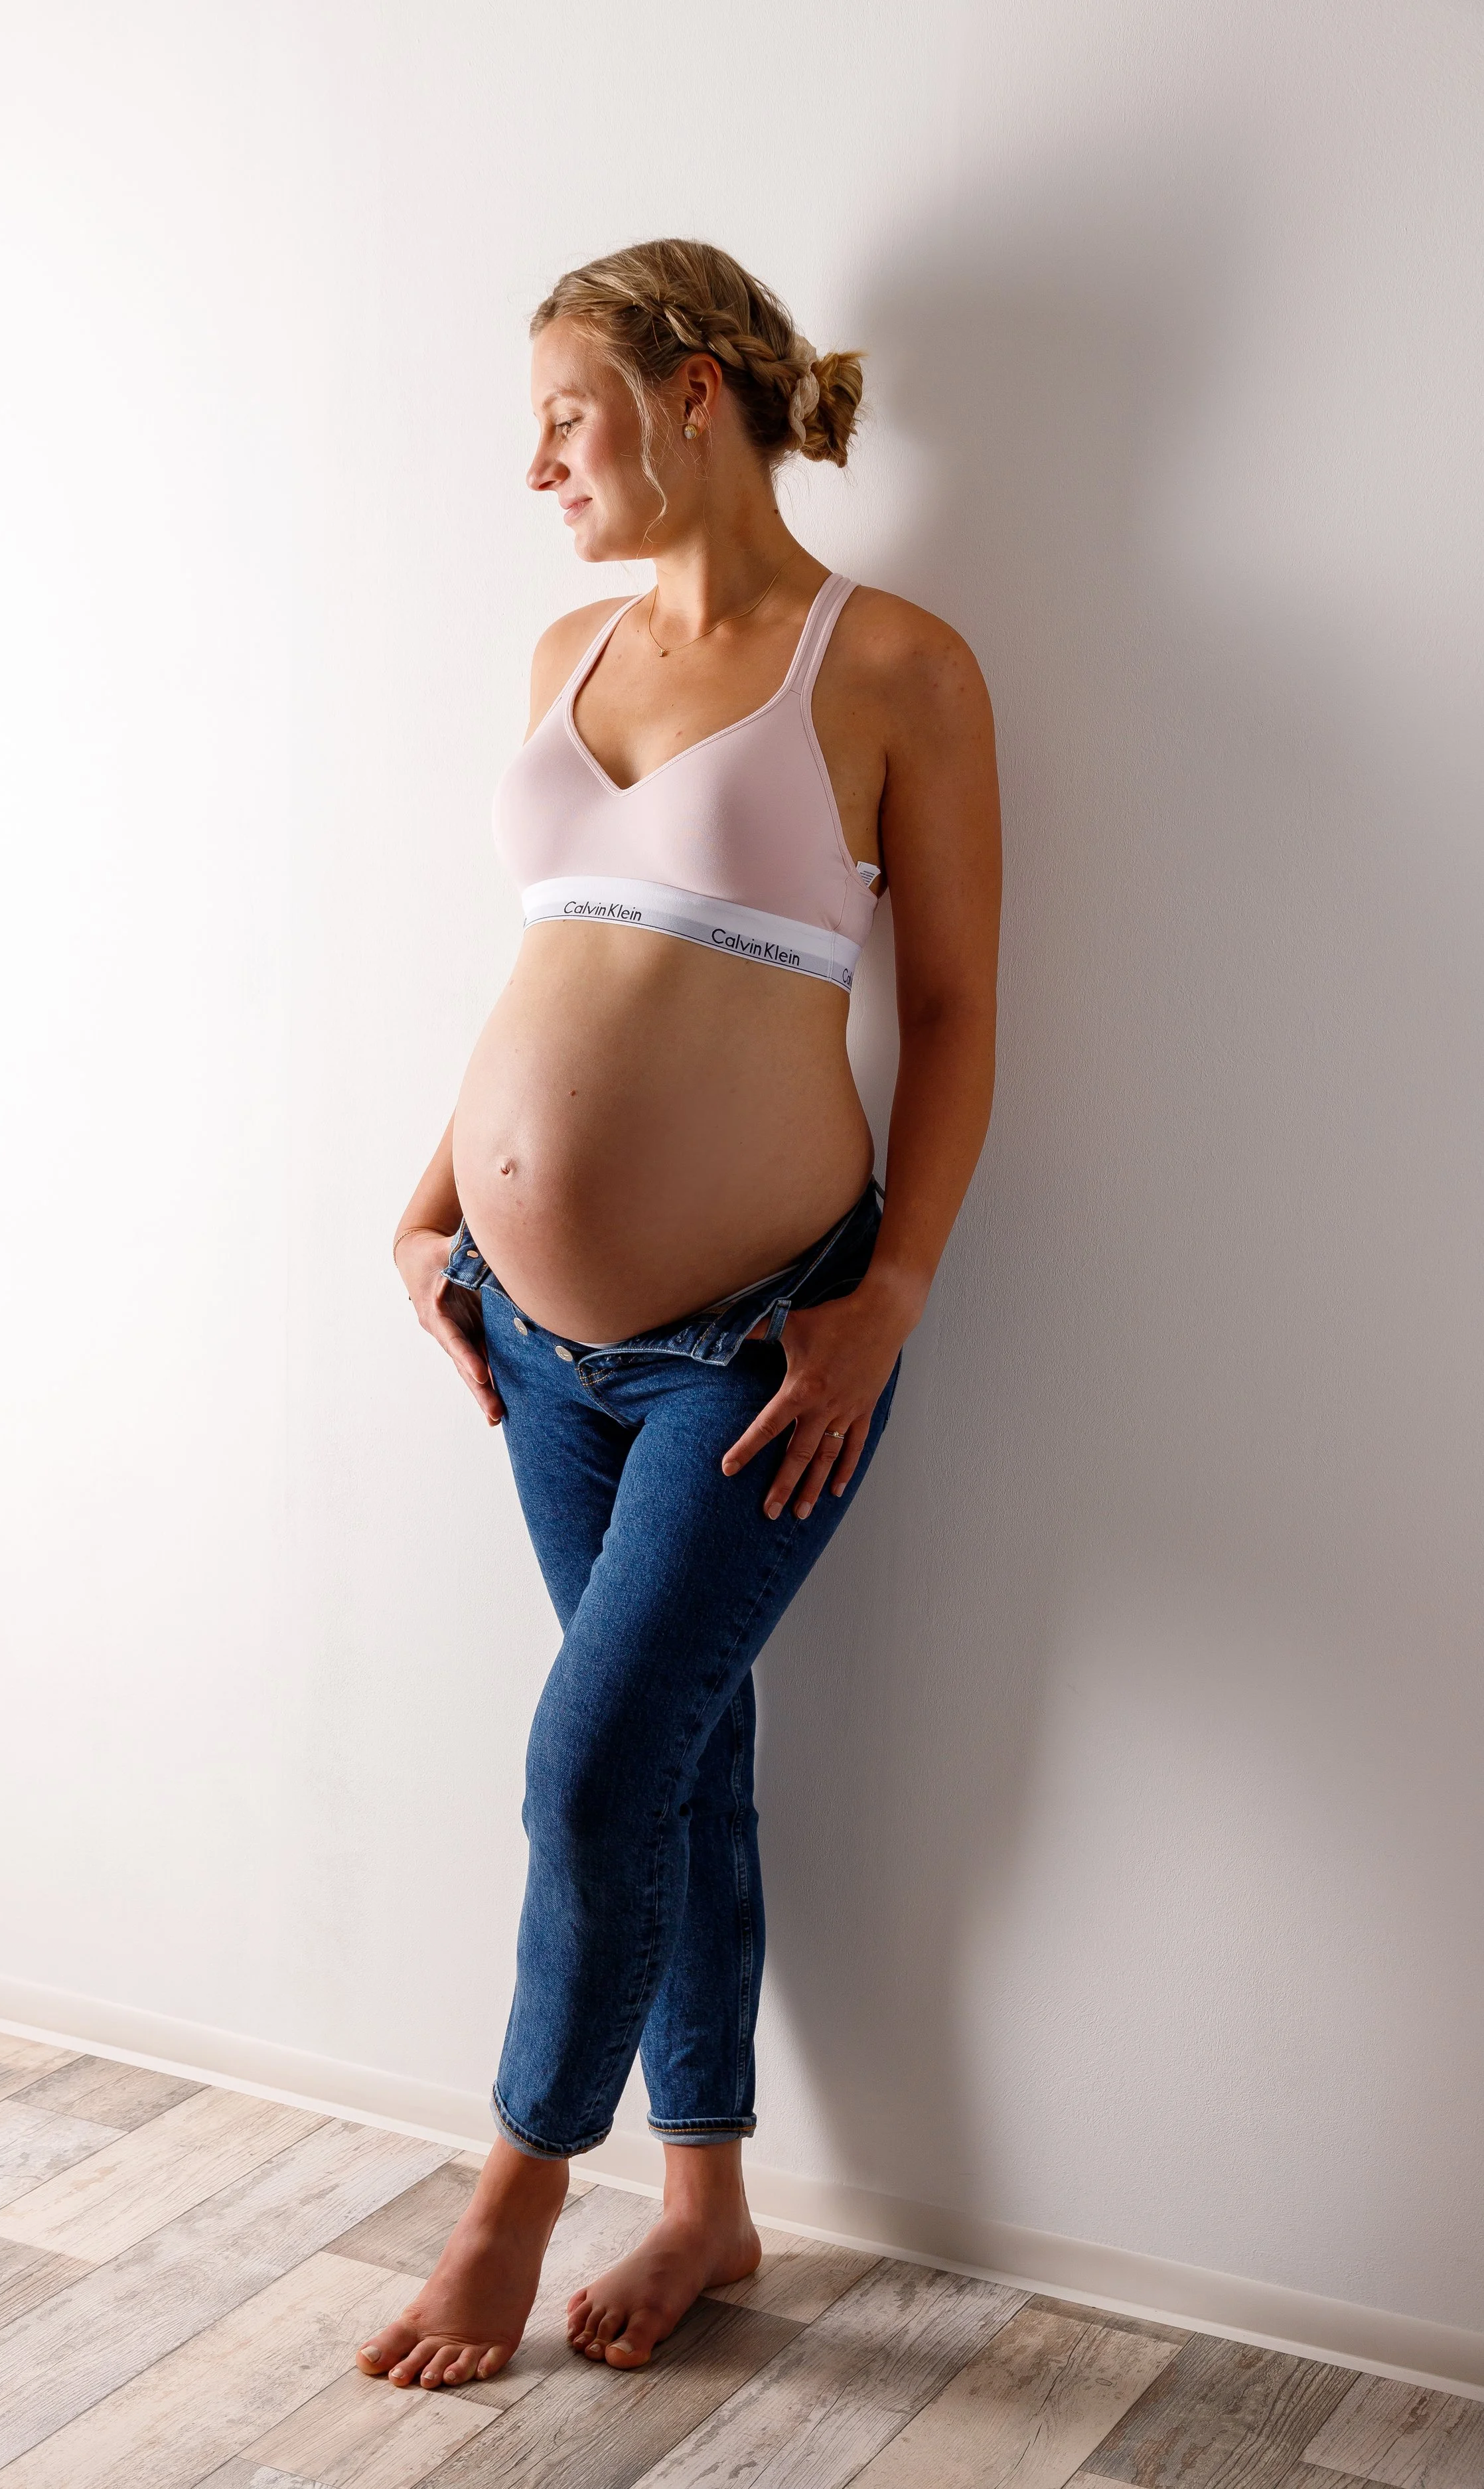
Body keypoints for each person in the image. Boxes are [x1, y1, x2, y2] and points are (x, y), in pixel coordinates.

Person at [361, 237, 1002, 2389]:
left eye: (565, 409)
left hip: (761, 1341)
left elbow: (951, 1006)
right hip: (534, 1349)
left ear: (695, 390)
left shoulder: (890, 660)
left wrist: (889, 1295)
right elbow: (557, 956)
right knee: (677, 1763)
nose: (534, 456)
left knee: (589, 1765)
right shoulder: (563, 646)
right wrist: (442, 1201)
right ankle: (708, 2201)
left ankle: (510, 2195)